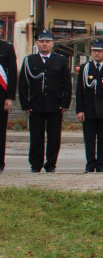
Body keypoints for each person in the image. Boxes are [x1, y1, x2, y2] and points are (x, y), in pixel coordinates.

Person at [18, 31, 72, 173]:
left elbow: (67, 84)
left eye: (47, 42)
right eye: (41, 41)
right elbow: (23, 84)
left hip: (55, 105)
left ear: (52, 44)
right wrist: (26, 104)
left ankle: (51, 164)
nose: (44, 44)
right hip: (36, 105)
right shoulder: (29, 60)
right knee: (36, 137)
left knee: (54, 137)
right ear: (37, 43)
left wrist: (65, 103)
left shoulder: (60, 60)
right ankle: (36, 164)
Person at [75, 39, 103, 173]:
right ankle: (90, 164)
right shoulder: (85, 68)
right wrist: (79, 110)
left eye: (100, 51)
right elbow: (79, 91)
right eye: (94, 51)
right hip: (88, 110)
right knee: (89, 139)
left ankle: (100, 165)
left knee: (102, 139)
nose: (96, 54)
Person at [0, 37, 19, 173]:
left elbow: (12, 73)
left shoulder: (7, 48)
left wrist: (10, 97)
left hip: (1, 97)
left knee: (0, 132)